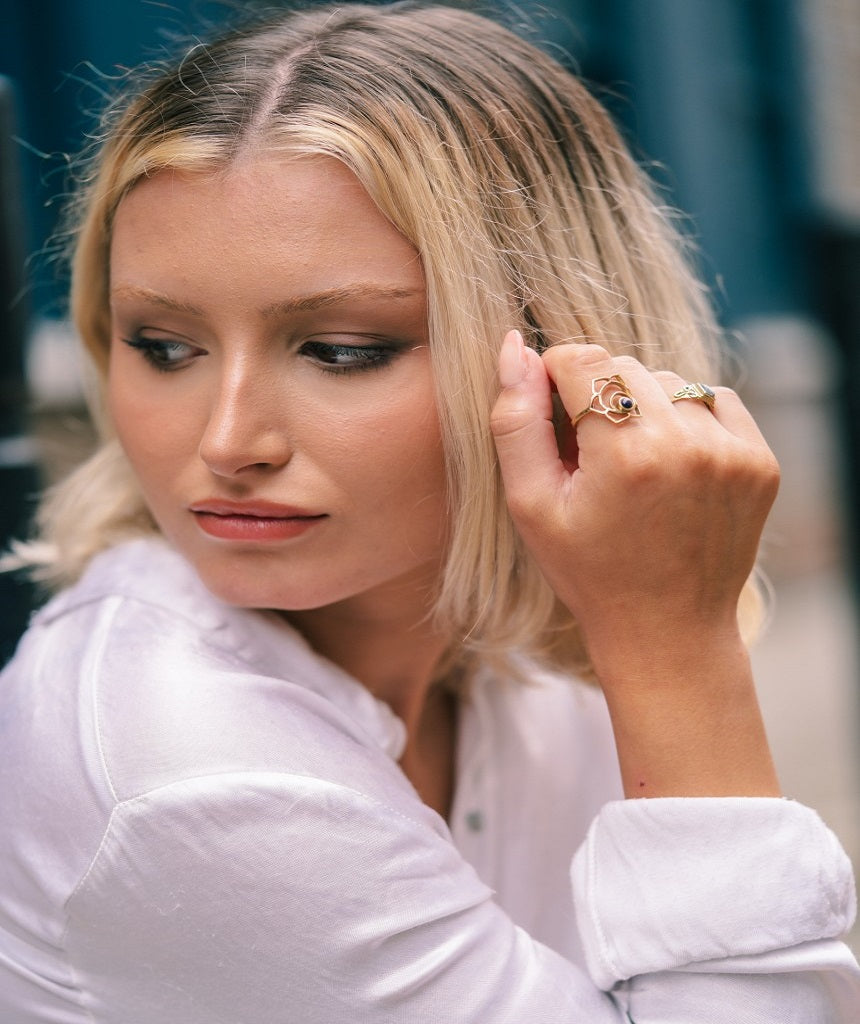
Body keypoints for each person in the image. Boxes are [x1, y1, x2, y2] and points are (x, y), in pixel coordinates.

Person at [1, 3, 858, 1020]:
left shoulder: (524, 651)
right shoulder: (189, 775)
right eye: (164, 345)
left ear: (555, 353)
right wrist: (677, 649)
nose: (227, 441)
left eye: (341, 349)